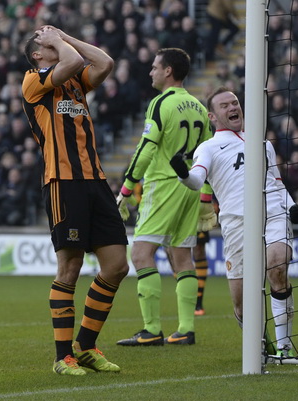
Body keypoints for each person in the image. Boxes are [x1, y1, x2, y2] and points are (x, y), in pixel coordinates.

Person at [21, 25, 129, 376]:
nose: (55, 44)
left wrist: (63, 35)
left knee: (116, 266)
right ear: (38, 54)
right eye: (46, 43)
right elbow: (76, 60)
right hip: (62, 182)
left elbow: (105, 62)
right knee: (69, 268)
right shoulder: (33, 80)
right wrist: (58, 41)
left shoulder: (74, 80)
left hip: (95, 181)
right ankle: (62, 356)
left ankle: (86, 346)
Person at [169, 87, 298, 357]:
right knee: (242, 304)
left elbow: (276, 183)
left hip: (272, 212)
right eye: (225, 105)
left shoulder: (264, 143)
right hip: (235, 223)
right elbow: (197, 181)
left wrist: (292, 206)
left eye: (235, 102)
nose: (233, 107)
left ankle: (285, 348)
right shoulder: (207, 148)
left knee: (277, 266)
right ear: (212, 116)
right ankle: (261, 345)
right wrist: (182, 173)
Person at [116, 48, 214, 347]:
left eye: (155, 67)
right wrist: (206, 197)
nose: (151, 72)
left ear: (168, 71)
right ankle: (185, 329)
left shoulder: (161, 104)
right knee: (182, 257)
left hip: (162, 185)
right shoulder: (198, 106)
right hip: (190, 189)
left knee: (141, 254)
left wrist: (126, 187)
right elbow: (209, 154)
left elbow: (146, 148)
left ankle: (151, 329)